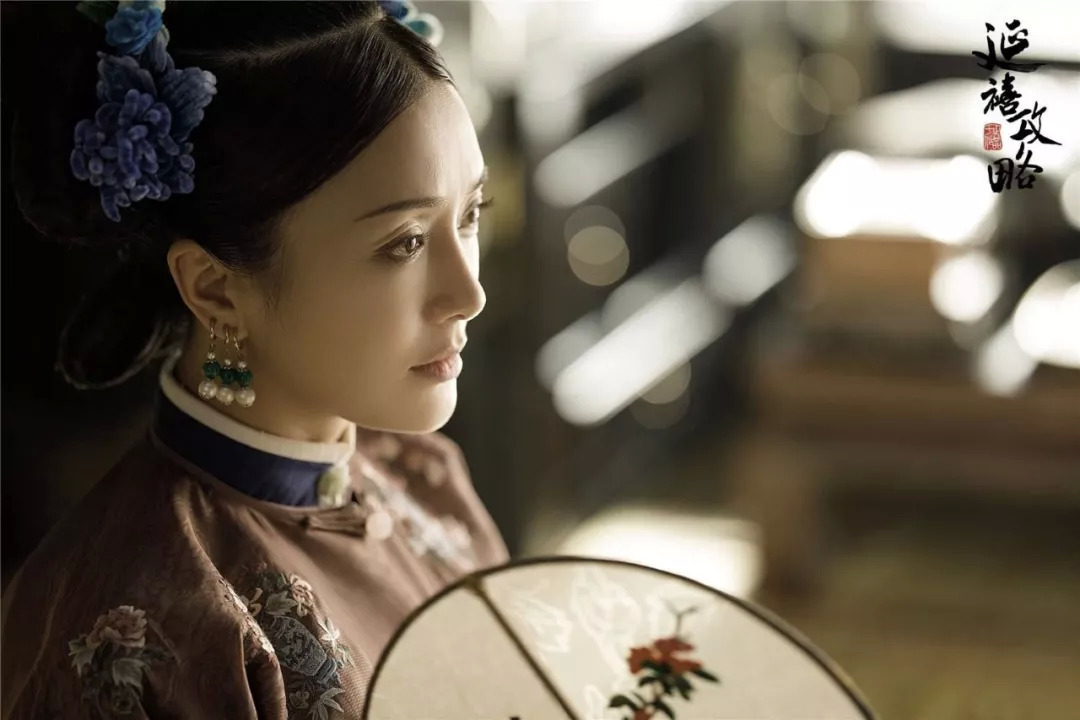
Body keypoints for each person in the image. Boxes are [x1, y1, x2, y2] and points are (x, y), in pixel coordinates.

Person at [1, 1, 509, 716]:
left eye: (471, 215)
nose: (470, 295)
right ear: (215, 288)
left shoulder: (422, 476)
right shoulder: (139, 630)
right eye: (406, 243)